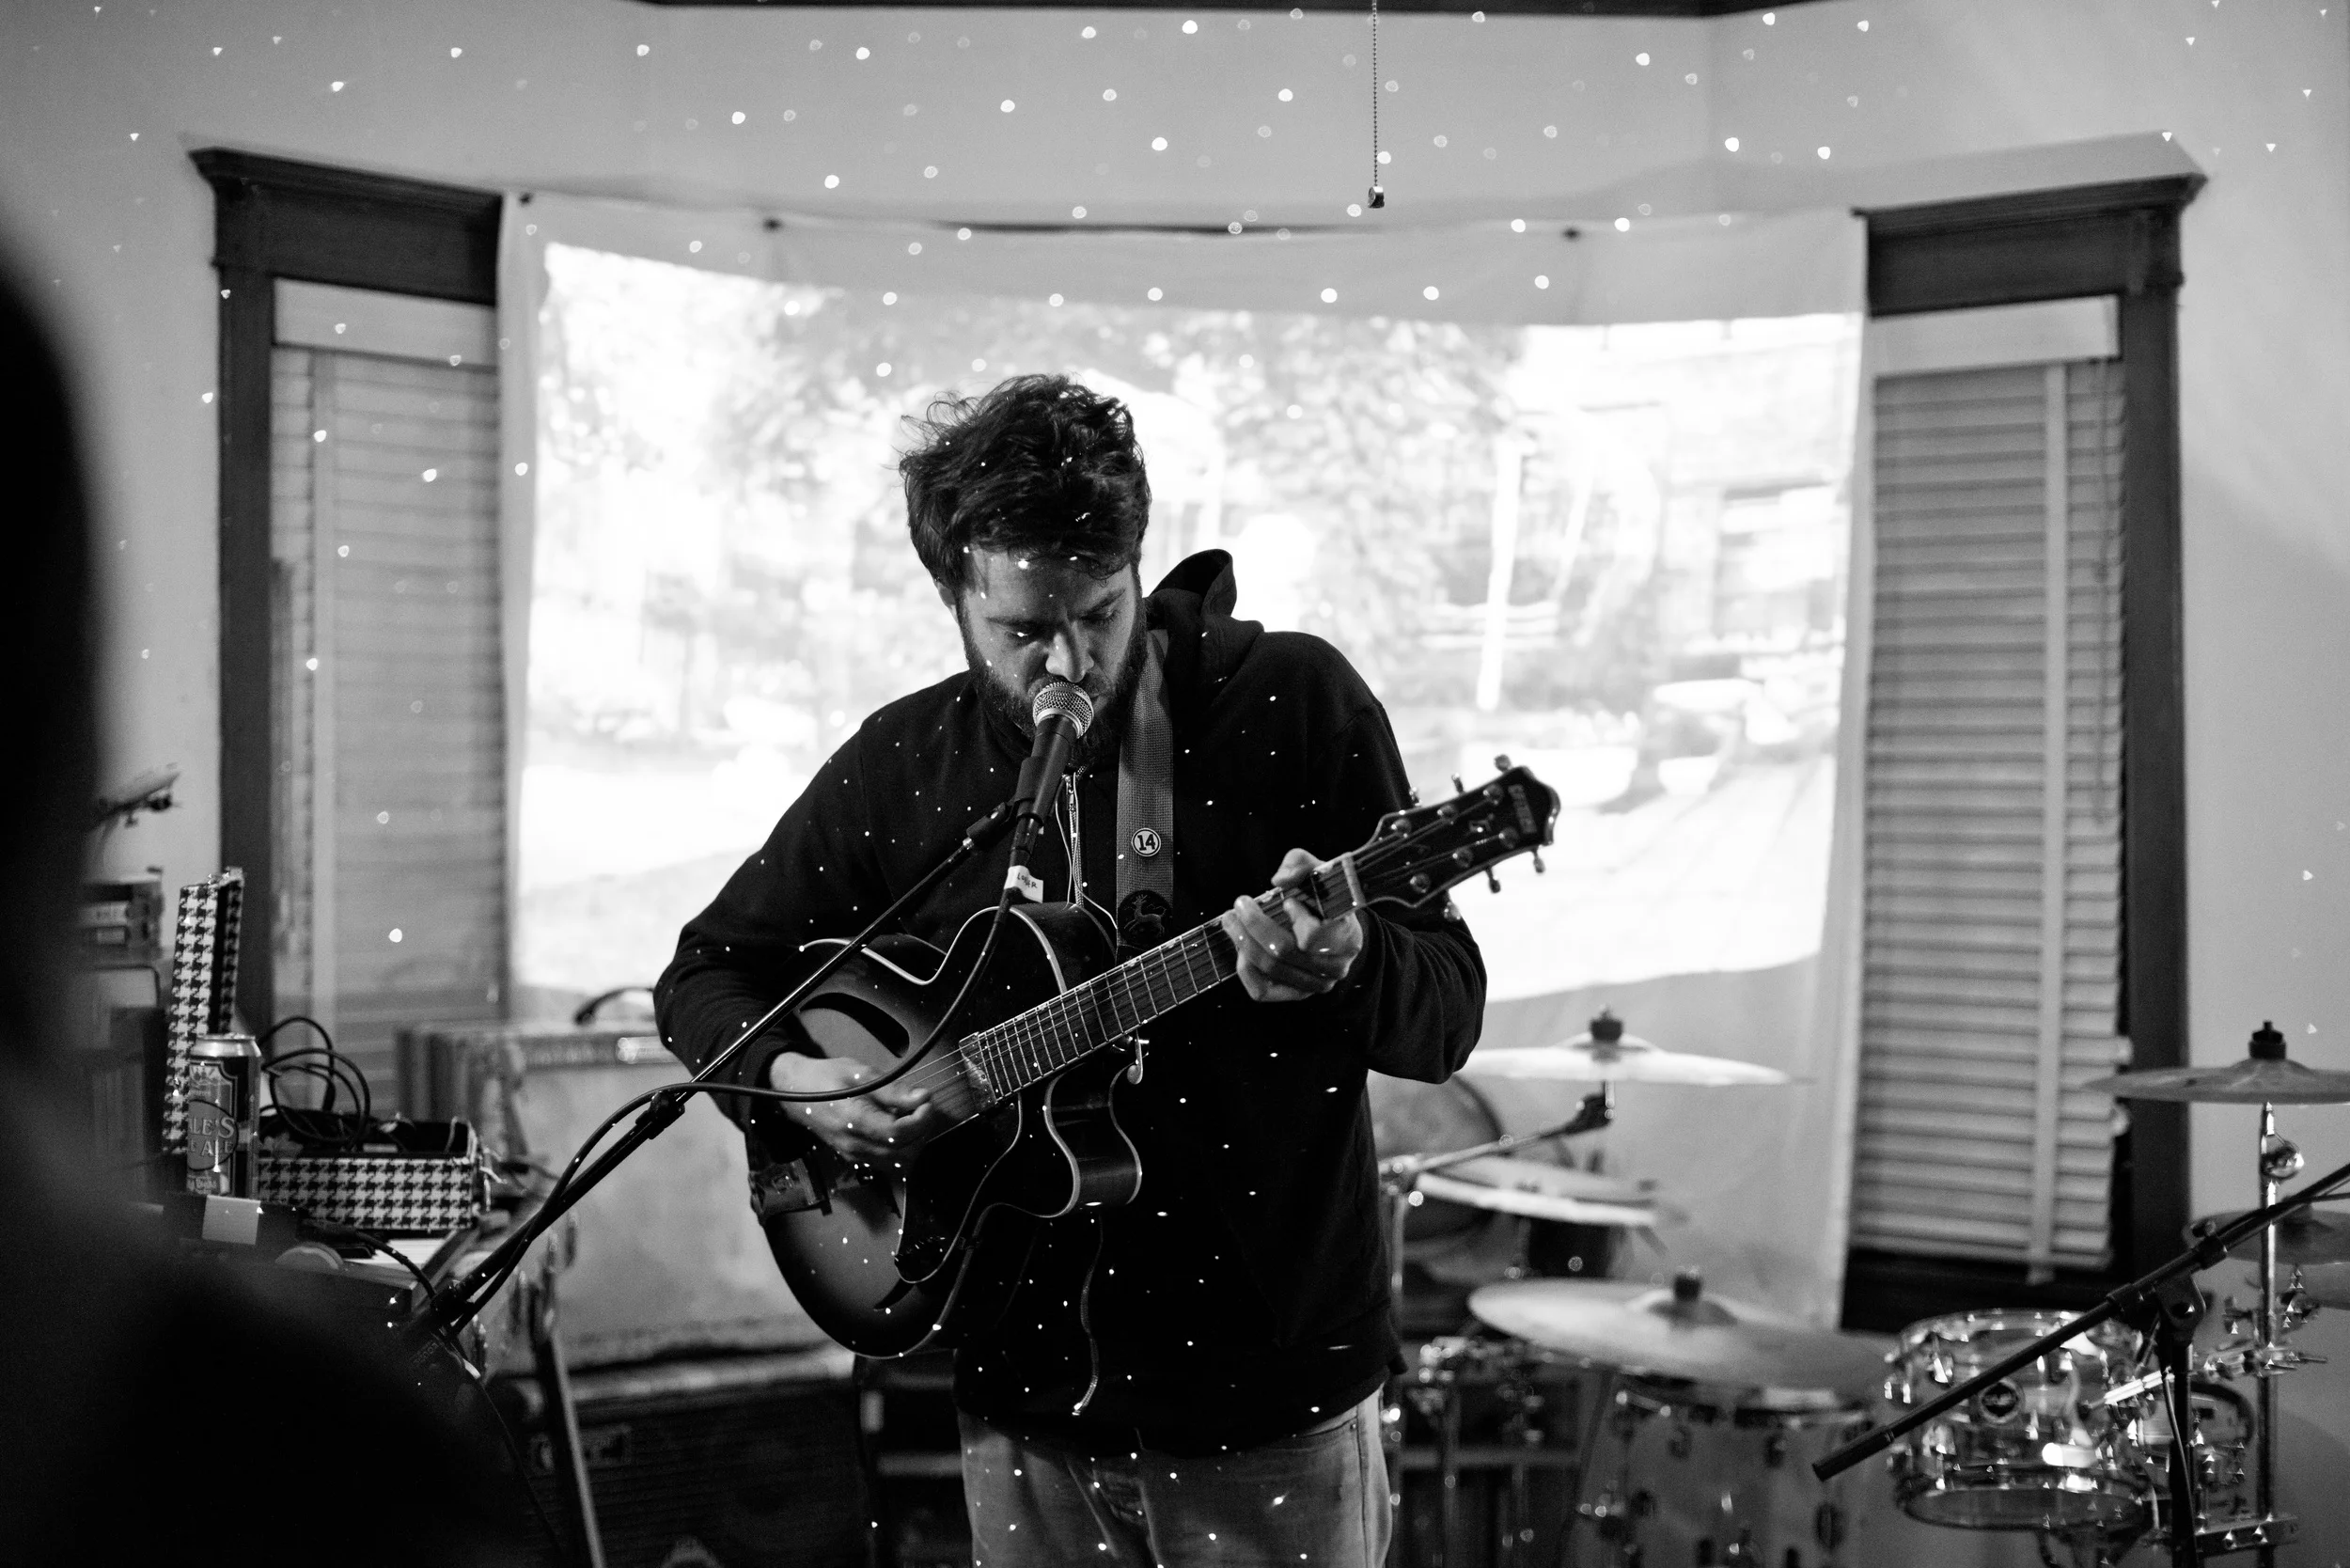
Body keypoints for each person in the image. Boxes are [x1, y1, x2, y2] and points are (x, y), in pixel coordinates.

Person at [656, 374, 1485, 1565]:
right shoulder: (905, 762)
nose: (1069, 663)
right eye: (1022, 630)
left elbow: (1446, 1014)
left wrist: (1350, 963)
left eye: (1100, 613)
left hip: (1266, 1408)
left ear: (1137, 567)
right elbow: (707, 972)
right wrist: (796, 1085)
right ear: (953, 597)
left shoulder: (1290, 705)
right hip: (1020, 1404)